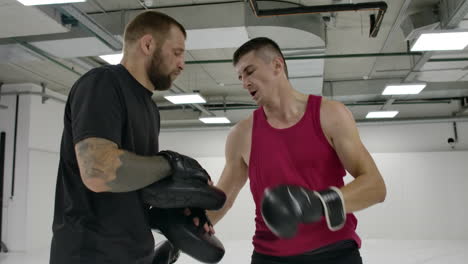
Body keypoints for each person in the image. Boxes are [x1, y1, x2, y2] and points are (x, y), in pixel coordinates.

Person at [50, 11, 214, 264]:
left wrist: (173, 212)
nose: (182, 64)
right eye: (178, 52)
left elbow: (134, 187)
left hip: (134, 252)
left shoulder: (150, 109)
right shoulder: (104, 83)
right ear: (148, 44)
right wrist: (172, 164)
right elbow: (98, 172)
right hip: (90, 254)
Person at [207, 37, 387, 264]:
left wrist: (319, 203)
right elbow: (225, 198)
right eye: (240, 77)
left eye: (249, 71)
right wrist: (181, 230)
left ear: (277, 65)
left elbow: (375, 186)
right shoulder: (241, 135)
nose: (244, 82)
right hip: (270, 257)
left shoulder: (330, 115)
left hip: (336, 253)